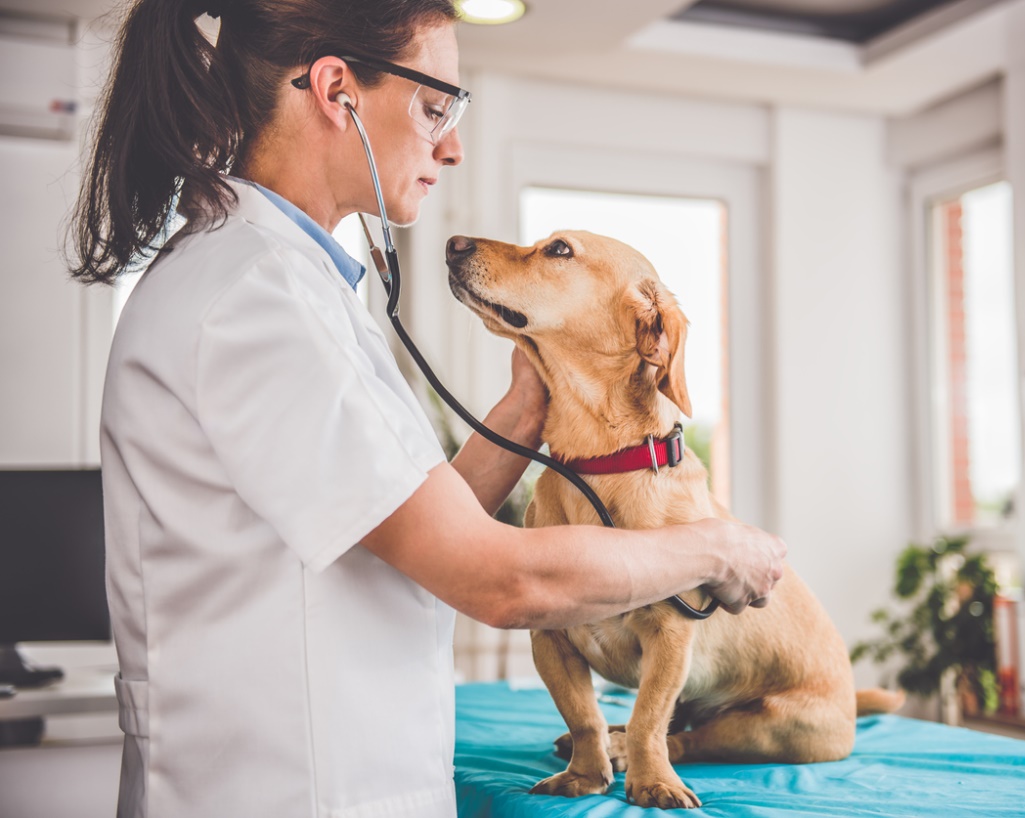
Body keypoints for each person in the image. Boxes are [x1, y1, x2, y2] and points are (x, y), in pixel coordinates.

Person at [69, 0, 786, 815]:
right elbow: (495, 580)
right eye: (436, 106)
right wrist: (716, 547)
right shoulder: (254, 302)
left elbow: (399, 528)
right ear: (337, 90)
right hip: (285, 787)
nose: (452, 145)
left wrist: (524, 411)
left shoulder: (289, 287)